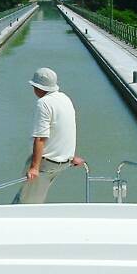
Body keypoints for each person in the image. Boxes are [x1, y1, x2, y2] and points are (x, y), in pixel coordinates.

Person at [13, 67, 83, 204]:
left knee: (24, 202)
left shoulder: (43, 103)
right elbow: (65, 129)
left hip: (46, 164)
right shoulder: (65, 98)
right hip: (63, 162)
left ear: (38, 88)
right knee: (37, 197)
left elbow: (40, 137)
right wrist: (70, 156)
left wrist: (34, 167)